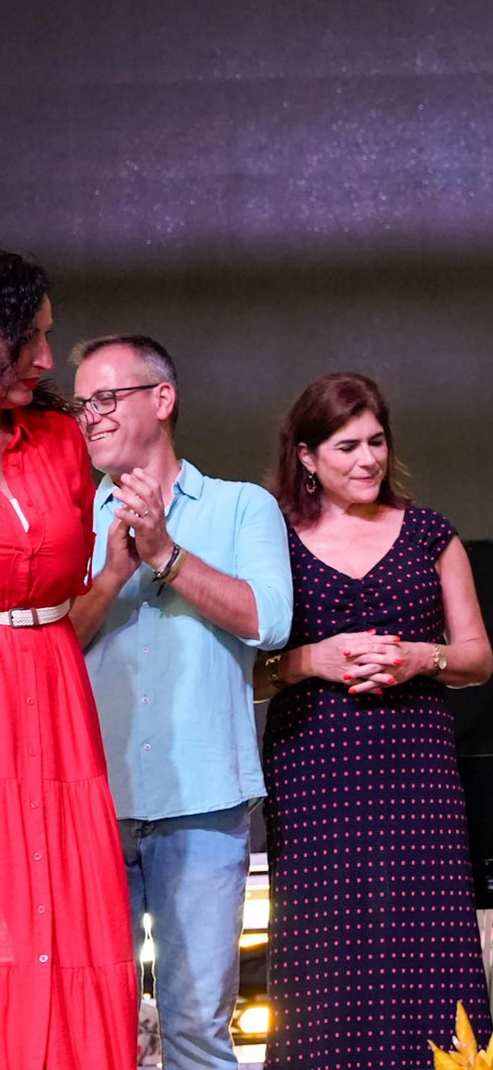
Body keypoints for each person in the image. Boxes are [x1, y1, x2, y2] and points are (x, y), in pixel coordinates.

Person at [253, 373, 493, 1069]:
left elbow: (477, 658)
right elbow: (248, 673)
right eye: (347, 446)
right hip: (314, 762)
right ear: (305, 456)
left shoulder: (428, 533)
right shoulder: (273, 536)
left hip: (416, 762)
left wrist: (421, 657)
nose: (368, 460)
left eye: (377, 442)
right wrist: (310, 662)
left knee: (427, 939)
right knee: (324, 952)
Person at [67, 334, 292, 1070]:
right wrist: (112, 574)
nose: (90, 418)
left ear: (161, 400)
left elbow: (271, 619)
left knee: (198, 1028)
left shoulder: (239, 507)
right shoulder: (67, 521)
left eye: (106, 399)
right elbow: (46, 649)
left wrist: (167, 554)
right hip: (93, 807)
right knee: (98, 1031)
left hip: (203, 803)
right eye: (82, 405)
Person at [0, 251, 138, 1068]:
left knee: (72, 902)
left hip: (53, 687)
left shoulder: (59, 441)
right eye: (29, 338)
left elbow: (65, 603)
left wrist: (118, 570)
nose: (48, 360)